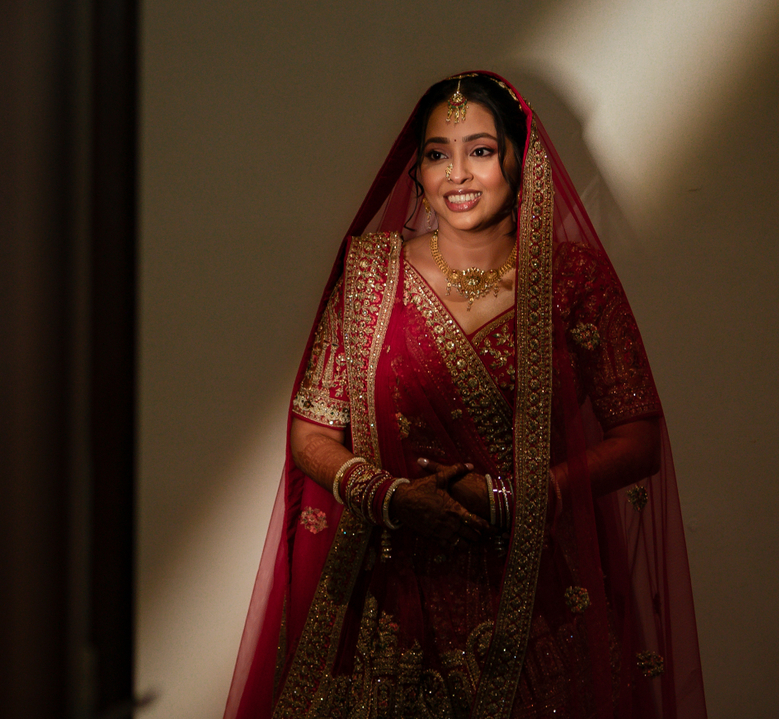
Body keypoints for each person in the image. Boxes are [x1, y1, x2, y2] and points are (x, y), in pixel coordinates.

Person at [227, 73, 703, 719]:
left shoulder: (574, 280)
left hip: (534, 592)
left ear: (519, 161)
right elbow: (312, 431)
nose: (457, 174)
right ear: (417, 173)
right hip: (388, 590)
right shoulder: (370, 274)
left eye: (480, 150)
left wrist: (515, 497)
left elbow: (637, 437)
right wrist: (390, 496)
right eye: (436, 153)